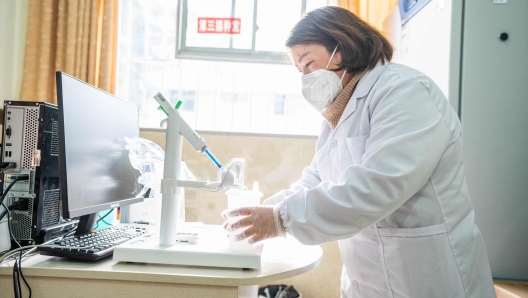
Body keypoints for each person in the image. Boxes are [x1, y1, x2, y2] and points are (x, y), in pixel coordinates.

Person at [222, 6, 496, 298]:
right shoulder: (338, 116)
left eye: (308, 63)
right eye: (299, 70)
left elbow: (380, 184)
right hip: (369, 282)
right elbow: (315, 180)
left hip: (429, 278)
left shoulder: (405, 91)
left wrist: (280, 219)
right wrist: (257, 214)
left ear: (341, 49)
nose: (304, 78)